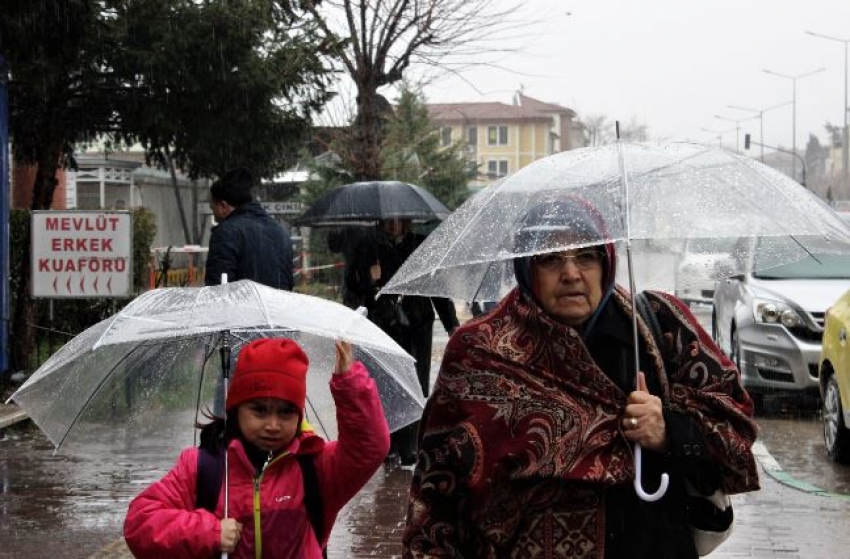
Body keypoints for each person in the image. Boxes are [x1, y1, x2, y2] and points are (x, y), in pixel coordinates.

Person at [402, 199, 760, 558]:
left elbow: (737, 439)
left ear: (606, 262)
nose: (571, 273)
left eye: (586, 256)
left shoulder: (659, 330)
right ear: (526, 267)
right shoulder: (479, 352)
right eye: (551, 258)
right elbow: (437, 495)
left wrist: (671, 430)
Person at [124, 337, 390, 558]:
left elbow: (369, 449)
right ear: (236, 409)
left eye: (286, 412)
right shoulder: (203, 466)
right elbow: (141, 523)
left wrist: (350, 385)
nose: (273, 425)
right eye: (259, 410)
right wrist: (209, 532)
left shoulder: (314, 466)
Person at [345, 217, 459, 465]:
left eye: (400, 220)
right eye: (390, 220)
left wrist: (451, 324)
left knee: (415, 383)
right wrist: (369, 279)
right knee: (386, 383)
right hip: (383, 323)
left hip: (417, 323)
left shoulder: (421, 245)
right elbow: (351, 288)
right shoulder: (368, 246)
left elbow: (436, 287)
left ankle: (410, 445)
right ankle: (388, 445)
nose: (395, 225)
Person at [205, 167, 294, 289]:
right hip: (277, 307)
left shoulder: (225, 233)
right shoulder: (280, 232)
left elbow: (218, 288)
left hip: (241, 307)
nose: (214, 216)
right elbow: (287, 284)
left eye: (213, 209)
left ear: (223, 206)